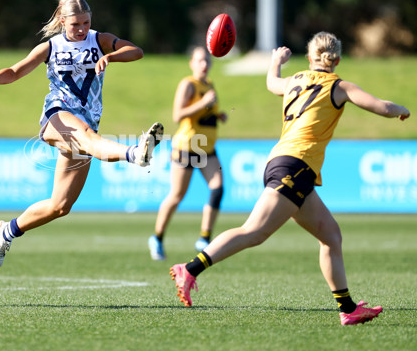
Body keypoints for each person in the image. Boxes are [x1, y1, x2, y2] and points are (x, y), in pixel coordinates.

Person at [169, 32, 410, 326]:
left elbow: (273, 84)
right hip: (294, 167)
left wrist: (276, 62)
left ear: (309, 58)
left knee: (331, 236)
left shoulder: (295, 79)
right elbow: (381, 106)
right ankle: (190, 268)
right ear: (337, 60)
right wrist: (401, 110)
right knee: (253, 232)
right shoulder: (339, 86)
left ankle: (347, 308)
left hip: (288, 165)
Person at [0, 0, 163, 268]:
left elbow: (136, 51)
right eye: (75, 24)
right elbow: (15, 71)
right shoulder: (50, 47)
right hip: (57, 117)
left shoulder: (100, 40)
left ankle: (8, 230)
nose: (82, 29)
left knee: (60, 206)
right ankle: (135, 154)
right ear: (62, 22)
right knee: (87, 137)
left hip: (87, 123)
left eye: (86, 22)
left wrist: (111, 56)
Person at [148, 46, 227, 260]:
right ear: (191, 63)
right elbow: (177, 115)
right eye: (200, 60)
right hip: (187, 146)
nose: (204, 64)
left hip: (207, 148)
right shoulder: (188, 84)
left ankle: (204, 237)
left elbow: (204, 114)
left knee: (218, 189)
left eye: (207, 61)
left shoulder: (209, 84)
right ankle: (157, 237)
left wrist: (218, 116)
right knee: (176, 196)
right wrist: (203, 103)